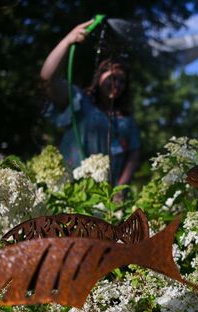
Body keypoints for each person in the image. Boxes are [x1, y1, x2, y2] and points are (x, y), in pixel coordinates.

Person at [40, 19, 140, 188]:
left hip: (108, 197)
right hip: (72, 190)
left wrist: (120, 190)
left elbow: (133, 155)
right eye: (111, 78)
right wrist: (68, 41)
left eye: (122, 81)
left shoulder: (126, 120)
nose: (117, 84)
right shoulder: (80, 102)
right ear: (98, 78)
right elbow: (48, 80)